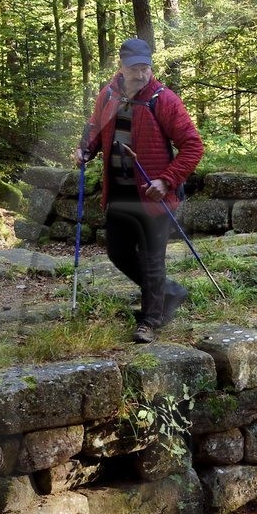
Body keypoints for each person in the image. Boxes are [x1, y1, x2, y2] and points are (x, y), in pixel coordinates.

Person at [76, 38, 205, 343]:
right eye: (134, 68)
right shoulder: (108, 95)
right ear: (121, 67)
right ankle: (169, 292)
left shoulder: (164, 99)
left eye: (145, 67)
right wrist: (85, 150)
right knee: (118, 253)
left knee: (151, 258)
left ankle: (150, 319)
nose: (141, 73)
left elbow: (193, 146)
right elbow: (95, 129)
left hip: (153, 194)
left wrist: (167, 181)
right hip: (120, 192)